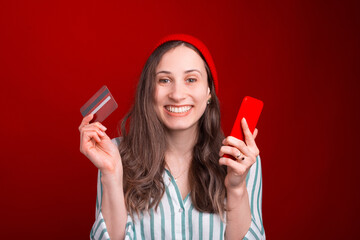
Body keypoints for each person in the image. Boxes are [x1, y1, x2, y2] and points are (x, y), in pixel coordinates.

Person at [79, 34, 265, 240]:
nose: (177, 94)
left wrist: (236, 188)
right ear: (149, 91)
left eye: (191, 80)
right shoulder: (114, 155)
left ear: (209, 91)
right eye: (165, 80)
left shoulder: (241, 160)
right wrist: (112, 174)